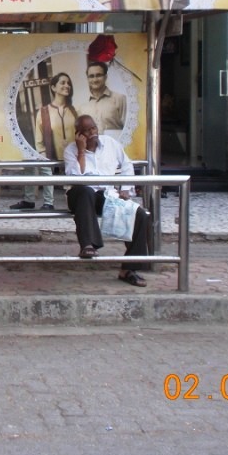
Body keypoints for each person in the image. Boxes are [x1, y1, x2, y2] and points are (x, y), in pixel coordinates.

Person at [62, 115, 152, 287]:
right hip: (80, 196)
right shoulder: (71, 150)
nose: (91, 133)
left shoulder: (110, 143)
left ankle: (129, 269)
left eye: (93, 128)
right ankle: (88, 245)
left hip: (107, 195)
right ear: (78, 134)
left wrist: (126, 189)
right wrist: (81, 151)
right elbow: (75, 178)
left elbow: (126, 165)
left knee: (139, 214)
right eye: (86, 131)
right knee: (85, 190)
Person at [12, 72, 77, 211]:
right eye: (63, 83)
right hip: (50, 152)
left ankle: (74, 201)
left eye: (68, 83)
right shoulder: (43, 112)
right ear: (53, 87)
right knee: (31, 162)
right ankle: (40, 201)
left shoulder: (74, 110)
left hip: (73, 154)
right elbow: (39, 139)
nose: (67, 86)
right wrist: (42, 155)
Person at [77, 61, 126, 133]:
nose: (95, 80)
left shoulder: (120, 99)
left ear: (105, 77)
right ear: (87, 79)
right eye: (91, 76)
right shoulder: (82, 106)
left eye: (99, 75)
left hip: (113, 143)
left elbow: (128, 128)